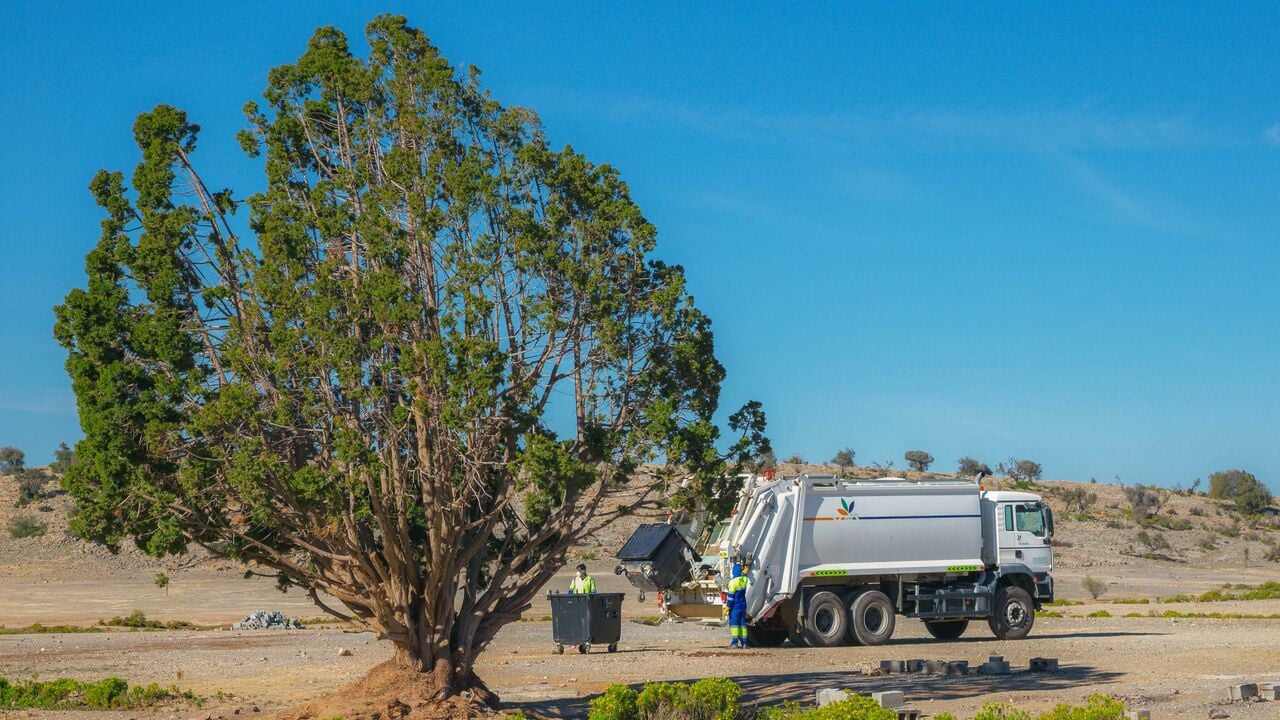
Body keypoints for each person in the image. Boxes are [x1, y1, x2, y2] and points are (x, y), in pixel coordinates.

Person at [725, 563, 749, 648]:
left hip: (735, 607)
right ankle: (744, 643)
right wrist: (746, 569)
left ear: (733, 572)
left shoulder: (732, 582)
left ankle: (734, 643)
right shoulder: (744, 579)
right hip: (743, 606)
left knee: (734, 625)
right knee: (743, 624)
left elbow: (731, 597)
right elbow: (745, 574)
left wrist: (727, 607)